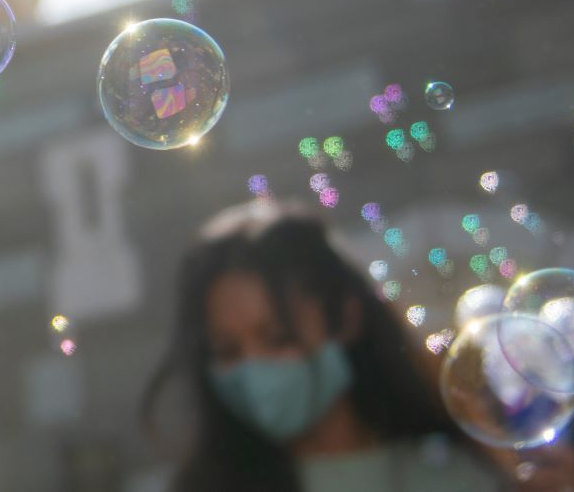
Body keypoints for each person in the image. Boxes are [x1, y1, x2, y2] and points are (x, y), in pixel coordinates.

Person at [142, 200, 507, 492]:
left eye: (278, 338)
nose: (253, 368)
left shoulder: (462, 477)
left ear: (345, 319)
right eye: (227, 351)